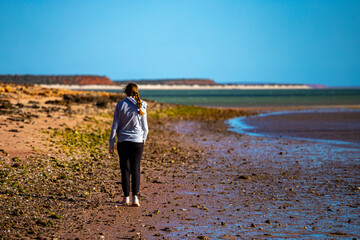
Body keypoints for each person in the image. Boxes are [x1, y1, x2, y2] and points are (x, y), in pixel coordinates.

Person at [109, 83, 148, 207]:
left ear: (125, 92)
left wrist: (111, 142)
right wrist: (143, 139)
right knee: (136, 168)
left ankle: (126, 197)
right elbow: (145, 128)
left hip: (123, 142)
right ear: (137, 91)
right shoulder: (141, 105)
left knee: (125, 169)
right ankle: (135, 198)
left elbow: (114, 126)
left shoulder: (120, 105)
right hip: (137, 142)